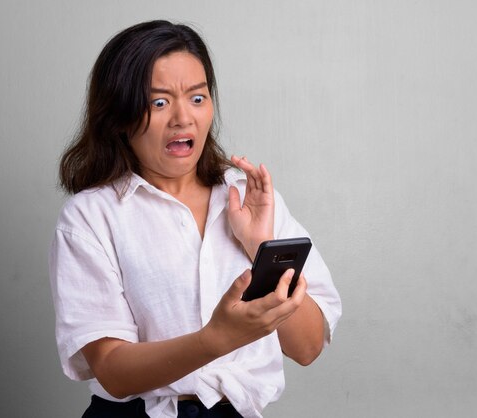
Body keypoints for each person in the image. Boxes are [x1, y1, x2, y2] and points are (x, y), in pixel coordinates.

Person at [50, 20, 341, 418]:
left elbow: (306, 348)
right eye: (159, 102)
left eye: (198, 98)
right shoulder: (89, 217)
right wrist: (216, 339)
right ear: (118, 114)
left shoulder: (250, 198)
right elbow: (113, 370)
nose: (183, 118)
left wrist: (260, 247)